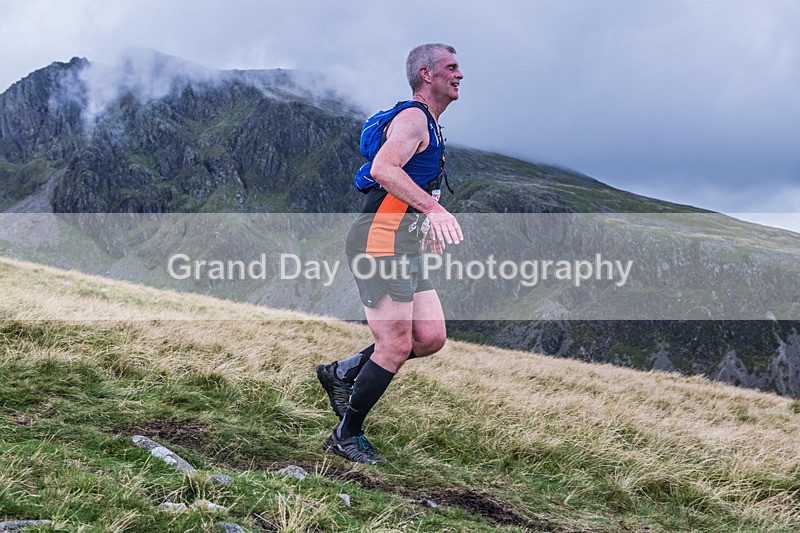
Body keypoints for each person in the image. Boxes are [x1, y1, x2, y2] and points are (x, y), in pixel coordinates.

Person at [316, 43, 464, 464]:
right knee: (395, 346)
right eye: (451, 68)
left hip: (404, 242)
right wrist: (434, 209)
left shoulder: (431, 125)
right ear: (426, 75)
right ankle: (346, 435)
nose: (460, 75)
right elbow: (384, 168)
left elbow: (405, 184)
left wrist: (424, 219)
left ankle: (342, 372)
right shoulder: (414, 118)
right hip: (379, 242)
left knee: (430, 337)